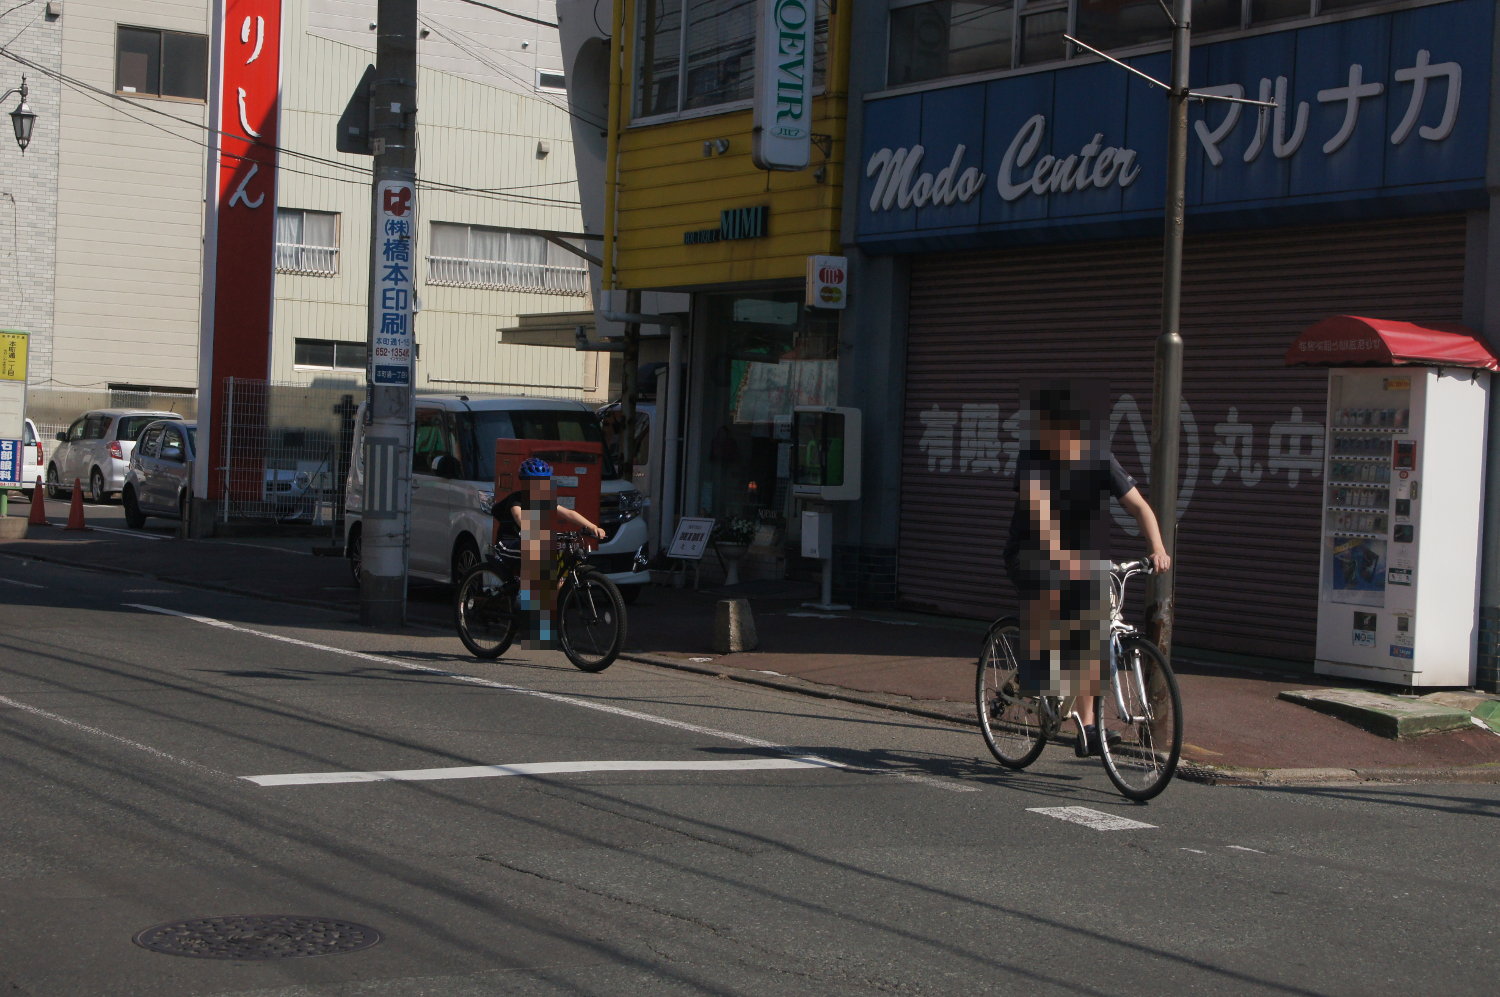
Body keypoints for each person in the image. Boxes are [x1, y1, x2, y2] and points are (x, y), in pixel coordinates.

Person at [1003, 387, 1171, 757]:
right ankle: (1042, 672)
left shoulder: (1100, 461)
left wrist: (1156, 548)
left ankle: (1087, 728)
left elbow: (1140, 507)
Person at [492, 457, 607, 645]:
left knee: (556, 570)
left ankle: (539, 621)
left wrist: (592, 526)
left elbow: (568, 513)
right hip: (509, 544)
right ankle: (527, 603)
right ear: (525, 483)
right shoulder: (516, 499)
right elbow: (519, 516)